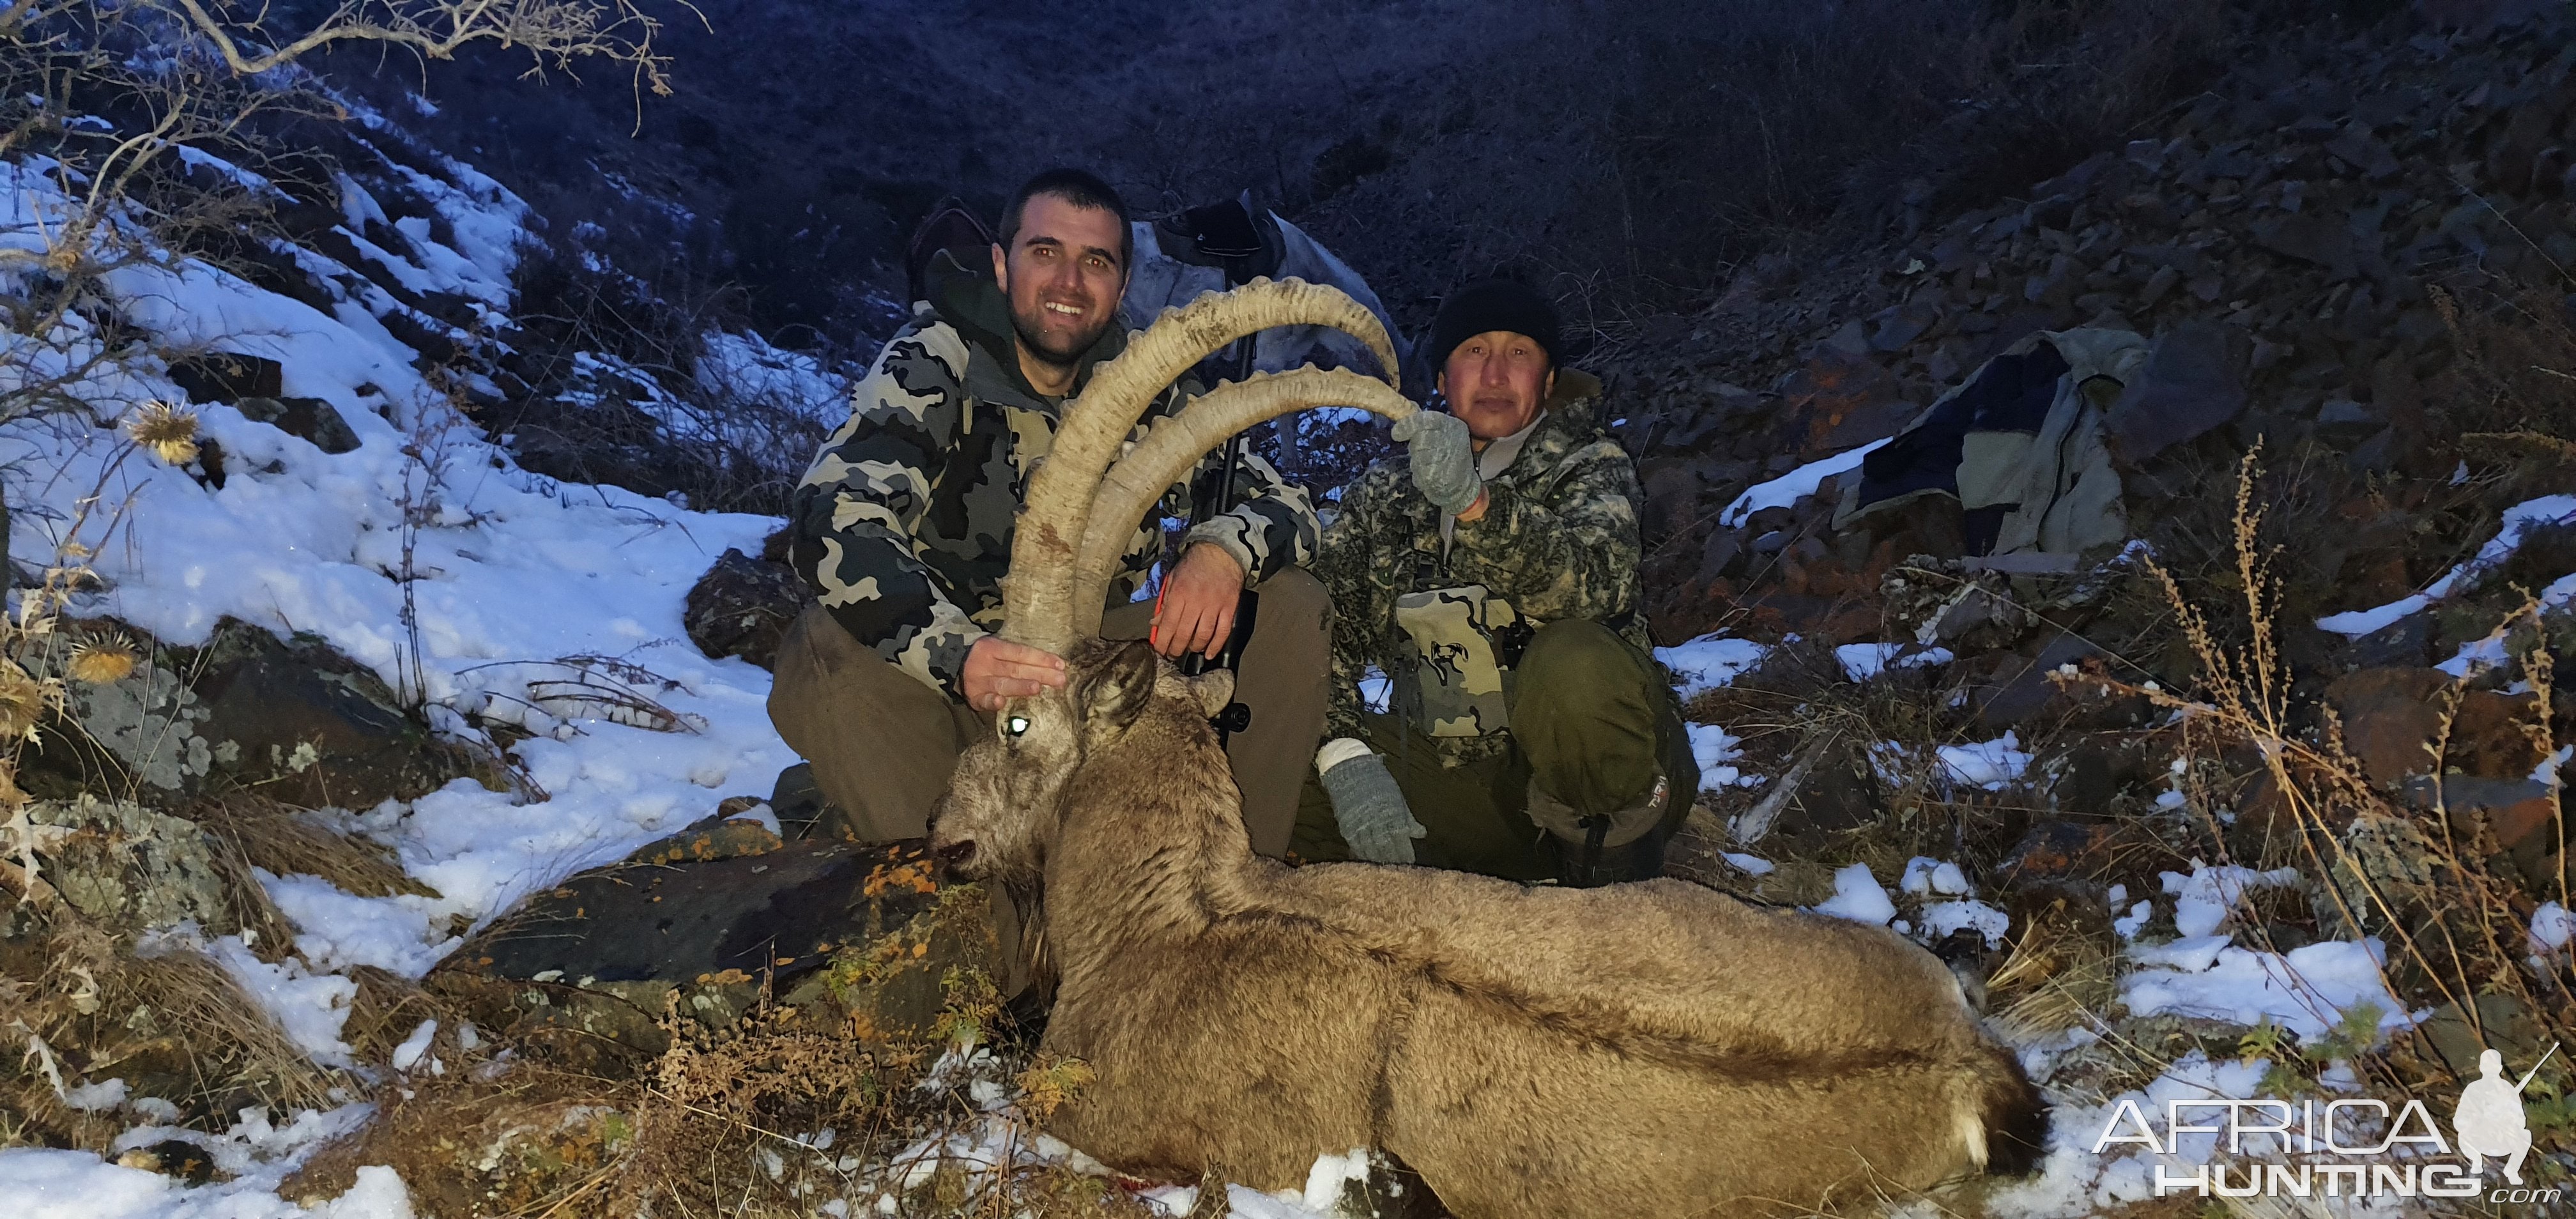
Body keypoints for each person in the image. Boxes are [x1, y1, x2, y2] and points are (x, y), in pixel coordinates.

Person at [768, 168, 1330, 860]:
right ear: (1003, 265)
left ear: (1121, 286)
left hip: (1082, 684)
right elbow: (835, 517)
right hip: (944, 686)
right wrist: (957, 654)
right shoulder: (935, 359)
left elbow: (1291, 505)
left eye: (1096, 262)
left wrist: (1223, 550)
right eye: (1045, 252)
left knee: (1285, 607)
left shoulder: (1146, 385)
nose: (1069, 282)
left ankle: (1227, 899)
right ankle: (956, 930)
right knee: (832, 642)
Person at [1293, 278, 1697, 886]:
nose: (1497, 374)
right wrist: (1344, 756)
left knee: (1573, 662)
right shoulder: (1384, 494)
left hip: (1603, 779)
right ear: (1440, 380)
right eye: (1475, 352)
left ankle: (1614, 897)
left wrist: (1474, 503)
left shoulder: (1591, 464)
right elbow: (1324, 623)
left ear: (1550, 381)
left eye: (1521, 353)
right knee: (1275, 756)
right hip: (1463, 781)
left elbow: (1594, 589)